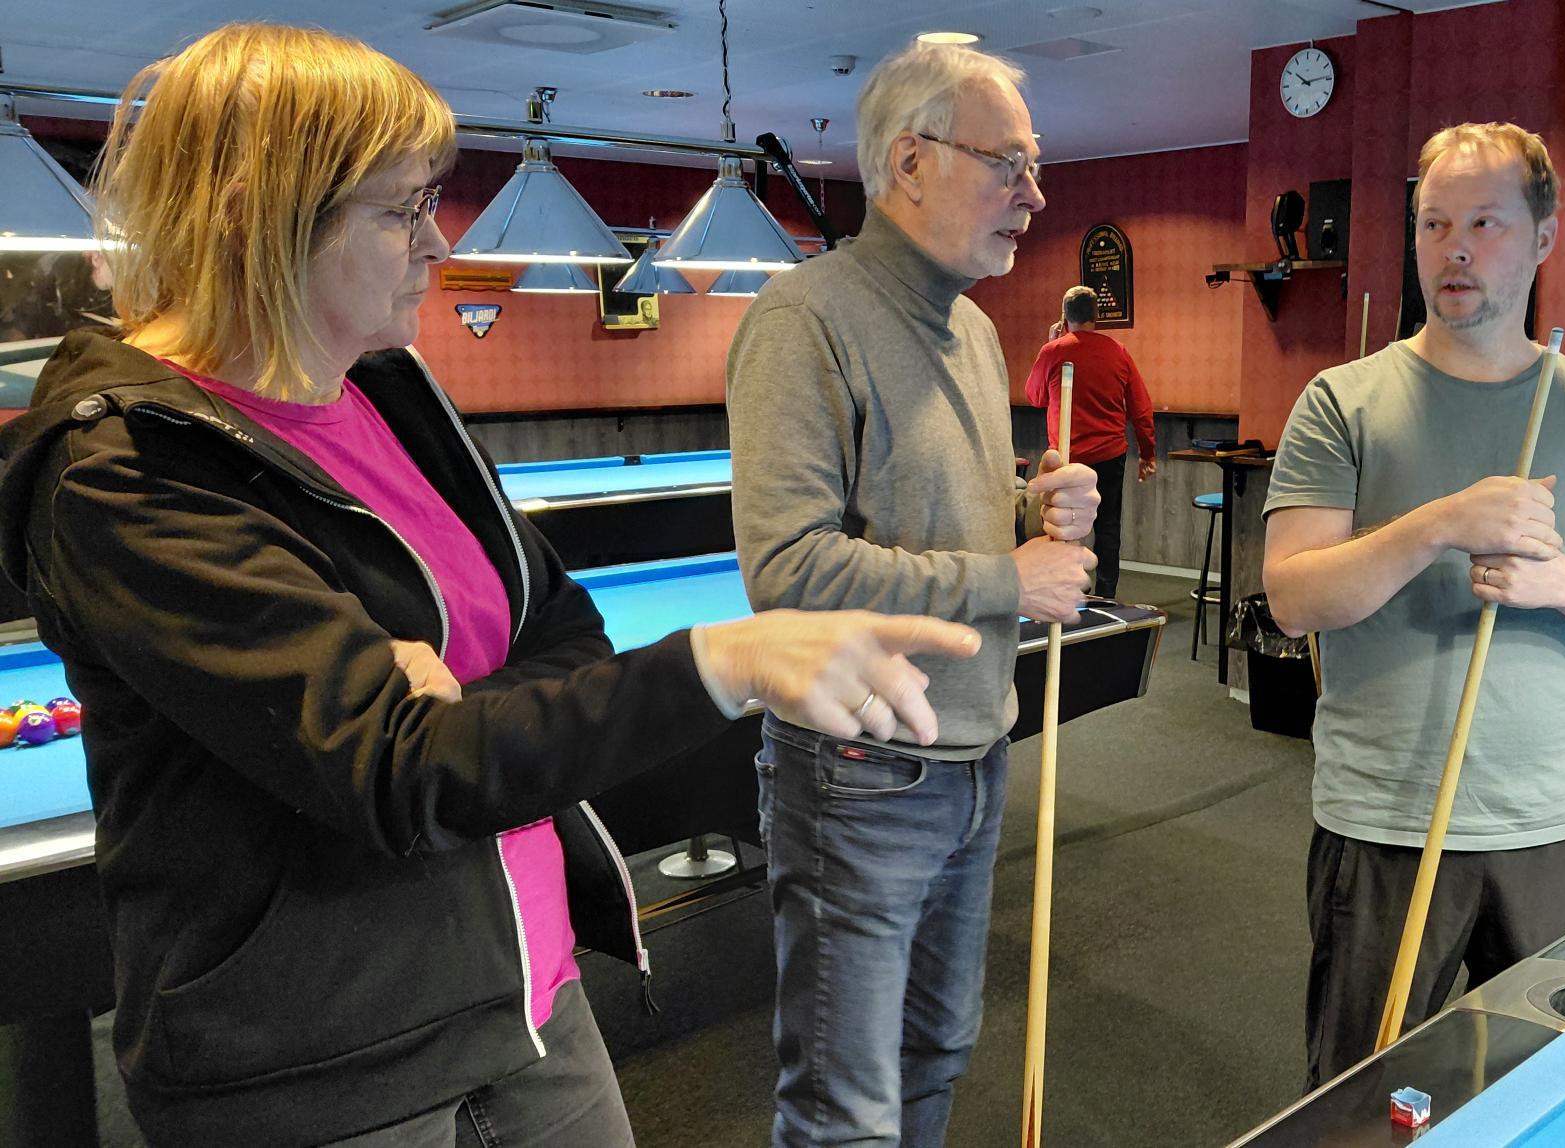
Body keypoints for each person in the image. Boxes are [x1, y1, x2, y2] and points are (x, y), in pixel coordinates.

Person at [0, 24, 979, 1146]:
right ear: (256, 218)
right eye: (401, 208)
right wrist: (723, 659)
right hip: (320, 1071)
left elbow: (564, 627)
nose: (437, 242)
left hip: (529, 991)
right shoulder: (124, 467)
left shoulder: (393, 394)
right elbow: (403, 770)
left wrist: (450, 706)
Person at [725, 42, 1100, 1148]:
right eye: (1009, 163)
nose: (1035, 194)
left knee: (936, 1053)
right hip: (858, 773)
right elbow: (787, 567)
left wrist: (1036, 507)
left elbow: (943, 520)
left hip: (975, 754)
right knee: (845, 1104)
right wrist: (1008, 576)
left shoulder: (974, 327)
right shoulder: (804, 318)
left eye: (1036, 164)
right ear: (910, 161)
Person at [1260, 122, 1565, 1087]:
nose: (1454, 248)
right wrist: (1440, 524)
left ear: (1544, 238)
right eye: (1434, 224)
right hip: (1385, 821)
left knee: (1554, 1090)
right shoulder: (1341, 400)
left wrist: (1558, 580)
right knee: (1364, 1104)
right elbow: (1292, 598)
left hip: (1550, 821)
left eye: (1485, 223)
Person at [1023, 285, 1157, 598]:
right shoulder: (1118, 351)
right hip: (1110, 454)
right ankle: (1107, 596)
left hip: (1067, 457)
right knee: (1108, 526)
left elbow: (1035, 397)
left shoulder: (1054, 351)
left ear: (1064, 316)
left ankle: (1067, 592)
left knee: (1064, 526)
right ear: (1096, 316)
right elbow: (1141, 408)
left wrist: (1050, 343)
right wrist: (1148, 453)